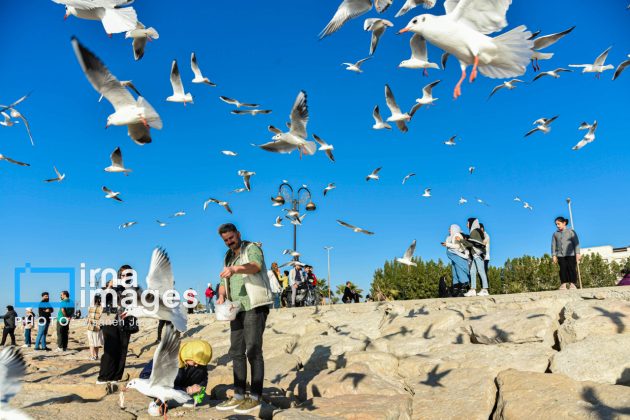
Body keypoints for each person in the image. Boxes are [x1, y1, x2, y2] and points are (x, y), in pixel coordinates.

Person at [215, 223, 273, 414]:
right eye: (225, 240)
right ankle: (239, 394)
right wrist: (221, 294)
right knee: (236, 352)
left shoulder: (251, 248)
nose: (229, 242)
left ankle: (255, 396)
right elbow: (224, 280)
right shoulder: (228, 256)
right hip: (235, 309)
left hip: (254, 306)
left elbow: (255, 266)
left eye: (231, 238)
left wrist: (235, 269)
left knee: (253, 351)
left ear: (238, 234)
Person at [140, 335, 212, 416]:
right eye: (195, 362)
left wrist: (198, 396)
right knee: (155, 412)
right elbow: (144, 377)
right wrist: (187, 390)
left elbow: (203, 379)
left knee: (199, 371)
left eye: (199, 363)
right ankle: (160, 401)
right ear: (188, 354)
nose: (196, 365)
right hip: (163, 388)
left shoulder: (198, 363)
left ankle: (179, 398)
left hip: (181, 389)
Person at [97, 265, 137, 384]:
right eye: (123, 274)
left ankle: (116, 377)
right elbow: (101, 299)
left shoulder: (133, 288)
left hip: (126, 319)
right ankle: (104, 376)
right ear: (119, 274)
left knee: (122, 349)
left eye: (128, 275)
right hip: (109, 317)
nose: (125, 277)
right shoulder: (111, 285)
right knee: (110, 347)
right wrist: (109, 287)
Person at [462, 218, 490, 297]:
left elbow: (471, 244)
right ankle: (473, 290)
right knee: (472, 271)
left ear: (471, 223)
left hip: (477, 255)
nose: (466, 225)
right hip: (476, 255)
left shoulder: (474, 231)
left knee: (481, 271)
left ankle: (485, 289)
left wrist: (461, 240)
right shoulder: (476, 231)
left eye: (467, 223)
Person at [552, 216, 581, 290]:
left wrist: (577, 253)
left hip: (571, 254)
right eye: (556, 224)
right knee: (562, 269)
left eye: (559, 224)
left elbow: (576, 243)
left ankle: (572, 284)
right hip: (560, 255)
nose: (557, 226)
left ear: (564, 223)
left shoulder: (571, 231)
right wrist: (554, 255)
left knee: (571, 268)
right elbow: (553, 245)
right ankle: (563, 284)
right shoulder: (555, 234)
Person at [442, 224, 470, 296]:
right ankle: (456, 287)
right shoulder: (450, 237)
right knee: (454, 270)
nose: (449, 230)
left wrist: (448, 244)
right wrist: (447, 244)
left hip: (459, 255)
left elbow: (458, 246)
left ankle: (464, 286)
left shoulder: (457, 235)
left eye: (450, 228)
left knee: (459, 269)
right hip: (454, 256)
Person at [87, 294, 104, 360]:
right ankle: (94, 356)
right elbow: (89, 316)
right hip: (94, 327)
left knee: (93, 343)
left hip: (94, 327)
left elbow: (89, 317)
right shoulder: (100, 308)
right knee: (94, 342)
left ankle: (94, 356)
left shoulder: (99, 308)